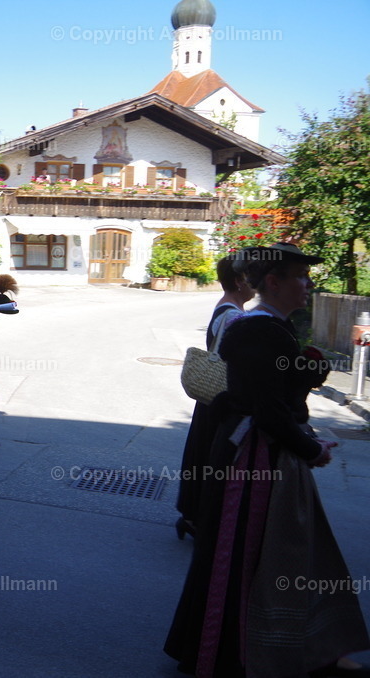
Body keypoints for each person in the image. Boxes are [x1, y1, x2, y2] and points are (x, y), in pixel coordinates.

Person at [164, 242, 370, 677]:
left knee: (275, 551)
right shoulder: (261, 330)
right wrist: (311, 449)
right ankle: (235, 654)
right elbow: (267, 411)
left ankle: (303, 648)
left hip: (261, 453)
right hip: (255, 462)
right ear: (273, 282)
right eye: (300, 277)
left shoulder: (270, 328)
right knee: (253, 554)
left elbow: (265, 398)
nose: (308, 284)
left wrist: (303, 394)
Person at [174, 254, 253, 539]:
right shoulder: (234, 315)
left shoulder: (227, 308)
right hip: (221, 395)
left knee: (203, 456)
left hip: (212, 395)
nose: (255, 283)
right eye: (251, 276)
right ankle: (199, 520)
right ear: (239, 280)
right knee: (212, 459)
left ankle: (192, 516)